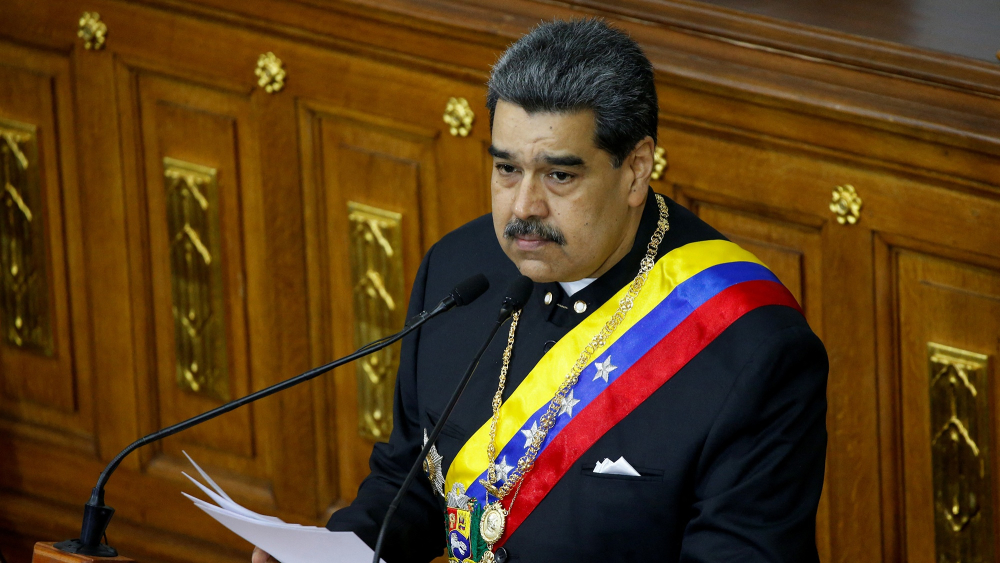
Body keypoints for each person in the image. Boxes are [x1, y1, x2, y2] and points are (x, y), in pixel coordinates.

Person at [254, 18, 827, 563]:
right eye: (506, 168)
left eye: (559, 175)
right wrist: (334, 552)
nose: (523, 208)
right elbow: (409, 481)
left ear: (635, 170)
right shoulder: (458, 270)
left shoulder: (751, 349)